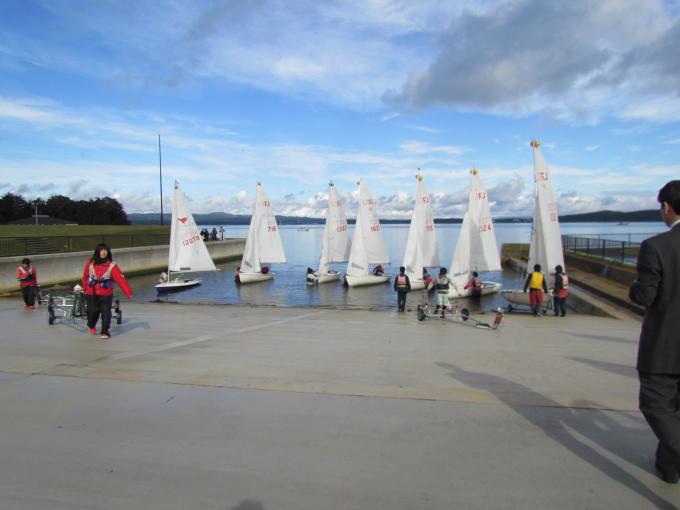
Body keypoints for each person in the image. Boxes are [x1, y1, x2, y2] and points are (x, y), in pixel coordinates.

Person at [629, 180, 680, 484]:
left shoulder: (657, 246)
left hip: (665, 347)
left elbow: (644, 296)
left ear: (666, 207)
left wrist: (636, 286)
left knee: (655, 404)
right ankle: (667, 466)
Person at [82, 243, 133, 340]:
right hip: (91, 292)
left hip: (106, 293)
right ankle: (91, 325)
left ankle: (104, 332)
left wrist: (128, 293)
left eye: (105, 250)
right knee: (92, 312)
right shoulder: (90, 263)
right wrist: (84, 287)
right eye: (101, 250)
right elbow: (85, 276)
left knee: (106, 313)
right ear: (97, 251)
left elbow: (120, 279)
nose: (104, 252)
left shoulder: (112, 265)